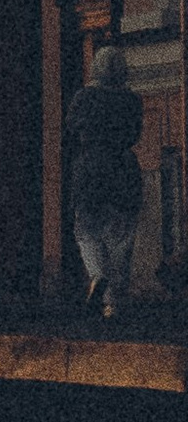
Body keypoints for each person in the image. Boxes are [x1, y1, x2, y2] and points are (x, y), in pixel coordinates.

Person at [64, 42, 145, 317]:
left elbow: (71, 126)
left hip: (90, 169)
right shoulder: (132, 100)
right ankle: (113, 303)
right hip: (122, 168)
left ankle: (97, 275)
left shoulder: (84, 97)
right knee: (120, 237)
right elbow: (135, 135)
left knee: (86, 231)